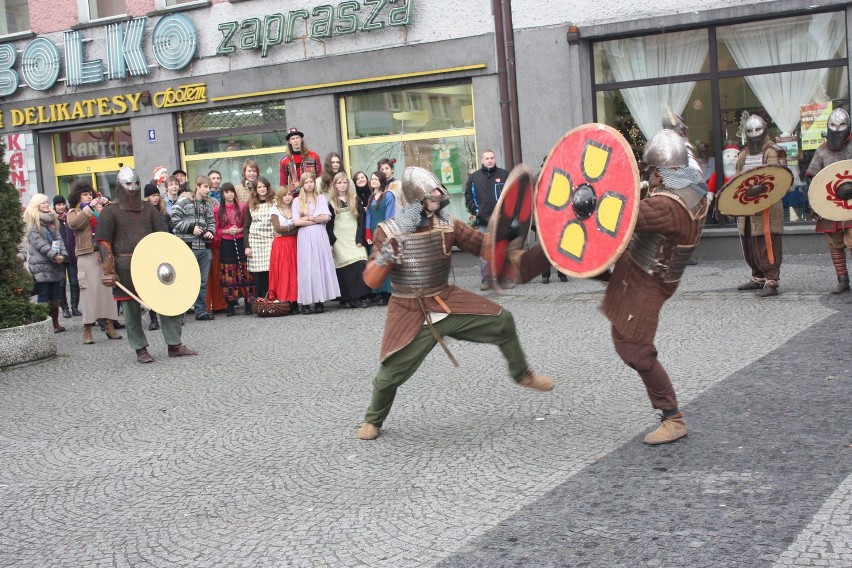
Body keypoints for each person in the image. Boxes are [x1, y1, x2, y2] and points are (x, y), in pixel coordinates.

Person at [515, 130, 709, 445]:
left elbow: (621, 215)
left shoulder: (671, 207)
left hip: (650, 279)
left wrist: (575, 201)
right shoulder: (693, 188)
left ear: (663, 172)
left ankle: (673, 418)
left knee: (635, 348)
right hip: (642, 267)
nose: (649, 178)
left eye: (652, 172)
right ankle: (518, 267)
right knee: (579, 255)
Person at [355, 167, 554, 441]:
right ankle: (373, 419)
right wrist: (387, 254)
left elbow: (483, 245)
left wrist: (507, 235)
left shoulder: (448, 225)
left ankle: (523, 375)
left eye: (439, 195)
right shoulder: (388, 231)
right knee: (390, 374)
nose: (439, 200)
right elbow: (372, 281)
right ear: (417, 201)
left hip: (445, 298)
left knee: (502, 321)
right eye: (433, 196)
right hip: (409, 308)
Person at [95, 166, 197, 363]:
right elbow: (103, 243)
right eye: (128, 184)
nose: (132, 188)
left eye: (136, 183)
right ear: (119, 186)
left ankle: (174, 344)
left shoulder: (149, 210)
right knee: (131, 310)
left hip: (152, 264)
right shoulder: (110, 212)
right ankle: (140, 348)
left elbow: (163, 238)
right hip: (125, 266)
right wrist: (108, 269)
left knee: (167, 303)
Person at [734, 114, 787, 297]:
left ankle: (771, 280)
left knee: (767, 243)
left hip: (768, 206)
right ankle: (757, 277)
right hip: (747, 207)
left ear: (765, 130)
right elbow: (737, 179)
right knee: (750, 243)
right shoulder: (743, 154)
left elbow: (776, 176)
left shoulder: (773, 151)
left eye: (757, 129)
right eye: (750, 131)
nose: (754, 134)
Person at [66, 182, 123, 343]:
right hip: (86, 255)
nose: (89, 196)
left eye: (90, 194)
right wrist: (89, 208)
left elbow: (115, 220)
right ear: (78, 197)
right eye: (85, 194)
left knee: (107, 291)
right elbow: (75, 224)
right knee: (89, 294)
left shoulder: (99, 211)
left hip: (102, 254)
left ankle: (109, 324)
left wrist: (107, 205)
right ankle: (87, 329)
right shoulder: (74, 212)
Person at [805, 107, 852, 293]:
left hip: (851, 205)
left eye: (842, 125)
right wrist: (815, 203)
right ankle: (843, 280)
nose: (838, 128)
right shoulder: (822, 150)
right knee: (835, 243)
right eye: (834, 124)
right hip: (829, 202)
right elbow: (813, 178)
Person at [171, 176, 217, 321]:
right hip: (187, 247)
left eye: (209, 188)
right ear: (197, 186)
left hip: (204, 247)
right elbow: (174, 220)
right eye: (205, 187)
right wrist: (191, 228)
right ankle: (180, 313)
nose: (208, 190)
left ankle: (200, 311)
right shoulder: (184, 202)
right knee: (184, 281)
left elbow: (212, 223)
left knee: (202, 282)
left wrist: (210, 232)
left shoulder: (207, 206)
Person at [292, 172, 339, 314]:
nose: (309, 184)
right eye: (306, 182)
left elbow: (326, 217)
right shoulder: (297, 201)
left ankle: (320, 300)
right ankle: (306, 302)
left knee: (319, 265)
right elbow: (297, 221)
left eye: (311, 182)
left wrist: (309, 217)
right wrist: (315, 219)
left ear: (314, 183)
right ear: (302, 184)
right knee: (307, 267)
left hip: (320, 235)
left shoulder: (321, 198)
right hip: (305, 236)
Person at [464, 149, 509, 290]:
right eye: (487, 158)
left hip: (501, 220)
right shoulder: (474, 178)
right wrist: (478, 212)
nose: (489, 160)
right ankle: (486, 280)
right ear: (482, 160)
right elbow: (469, 197)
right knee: (486, 252)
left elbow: (511, 195)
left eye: (492, 158)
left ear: (495, 159)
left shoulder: (504, 175)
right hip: (483, 221)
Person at [23, 194, 69, 333]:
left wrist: (62, 254)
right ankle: (44, 324)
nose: (46, 205)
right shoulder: (32, 221)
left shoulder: (52, 220)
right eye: (43, 203)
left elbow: (58, 238)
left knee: (55, 295)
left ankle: (55, 322)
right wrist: (54, 255)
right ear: (36, 205)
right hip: (40, 263)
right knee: (44, 294)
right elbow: (38, 243)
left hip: (54, 263)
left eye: (47, 202)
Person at [327, 172, 371, 308]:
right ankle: (348, 298)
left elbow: (361, 220)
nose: (342, 185)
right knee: (345, 267)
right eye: (339, 183)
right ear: (335, 185)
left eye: (344, 182)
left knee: (361, 261)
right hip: (339, 238)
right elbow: (329, 225)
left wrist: (360, 238)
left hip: (354, 237)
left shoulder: (355, 199)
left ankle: (360, 296)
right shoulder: (331, 203)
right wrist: (331, 243)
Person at [214, 182, 255, 315]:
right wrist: (227, 231)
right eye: (226, 192)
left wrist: (238, 229)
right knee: (229, 273)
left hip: (240, 239)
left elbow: (247, 224)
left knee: (244, 271)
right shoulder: (217, 209)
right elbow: (216, 229)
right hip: (226, 243)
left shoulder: (243, 207)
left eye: (231, 191)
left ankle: (248, 304)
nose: (229, 194)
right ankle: (230, 304)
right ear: (223, 194)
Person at [364, 170, 395, 305]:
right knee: (375, 260)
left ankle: (388, 293)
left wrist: (386, 233)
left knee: (385, 260)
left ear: (382, 181)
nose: (373, 181)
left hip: (384, 232)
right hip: (373, 232)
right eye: (372, 179)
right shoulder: (371, 197)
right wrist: (368, 234)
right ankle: (378, 292)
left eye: (376, 179)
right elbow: (369, 216)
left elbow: (389, 216)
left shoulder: (388, 196)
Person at [244, 175, 276, 301]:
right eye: (259, 187)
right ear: (255, 189)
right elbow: (246, 225)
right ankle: (260, 300)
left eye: (264, 186)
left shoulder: (275, 201)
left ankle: (272, 298)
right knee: (258, 273)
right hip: (255, 241)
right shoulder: (251, 203)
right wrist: (246, 246)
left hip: (270, 239)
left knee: (270, 271)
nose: (262, 189)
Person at [143, 183, 170, 330]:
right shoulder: (143, 214)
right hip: (149, 252)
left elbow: (168, 232)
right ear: (147, 197)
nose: (155, 198)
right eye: (153, 195)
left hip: (163, 251)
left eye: (157, 195)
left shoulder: (163, 214)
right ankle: (153, 318)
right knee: (151, 287)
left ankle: (170, 315)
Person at [268, 186, 299, 312]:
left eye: (290, 195)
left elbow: (299, 229)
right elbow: (278, 228)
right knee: (283, 272)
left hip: (294, 243)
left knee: (295, 271)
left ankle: (296, 300)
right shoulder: (275, 209)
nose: (287, 197)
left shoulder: (295, 208)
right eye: (285, 195)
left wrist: (288, 230)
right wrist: (293, 225)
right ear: (280, 197)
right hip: (280, 245)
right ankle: (285, 300)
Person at [52, 194, 79, 318]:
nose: (61, 207)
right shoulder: (52, 219)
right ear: (54, 206)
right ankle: (65, 309)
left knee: (74, 282)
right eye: (59, 205)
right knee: (61, 283)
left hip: (72, 254)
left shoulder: (70, 217)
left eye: (63, 204)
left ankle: (75, 307)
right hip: (60, 256)